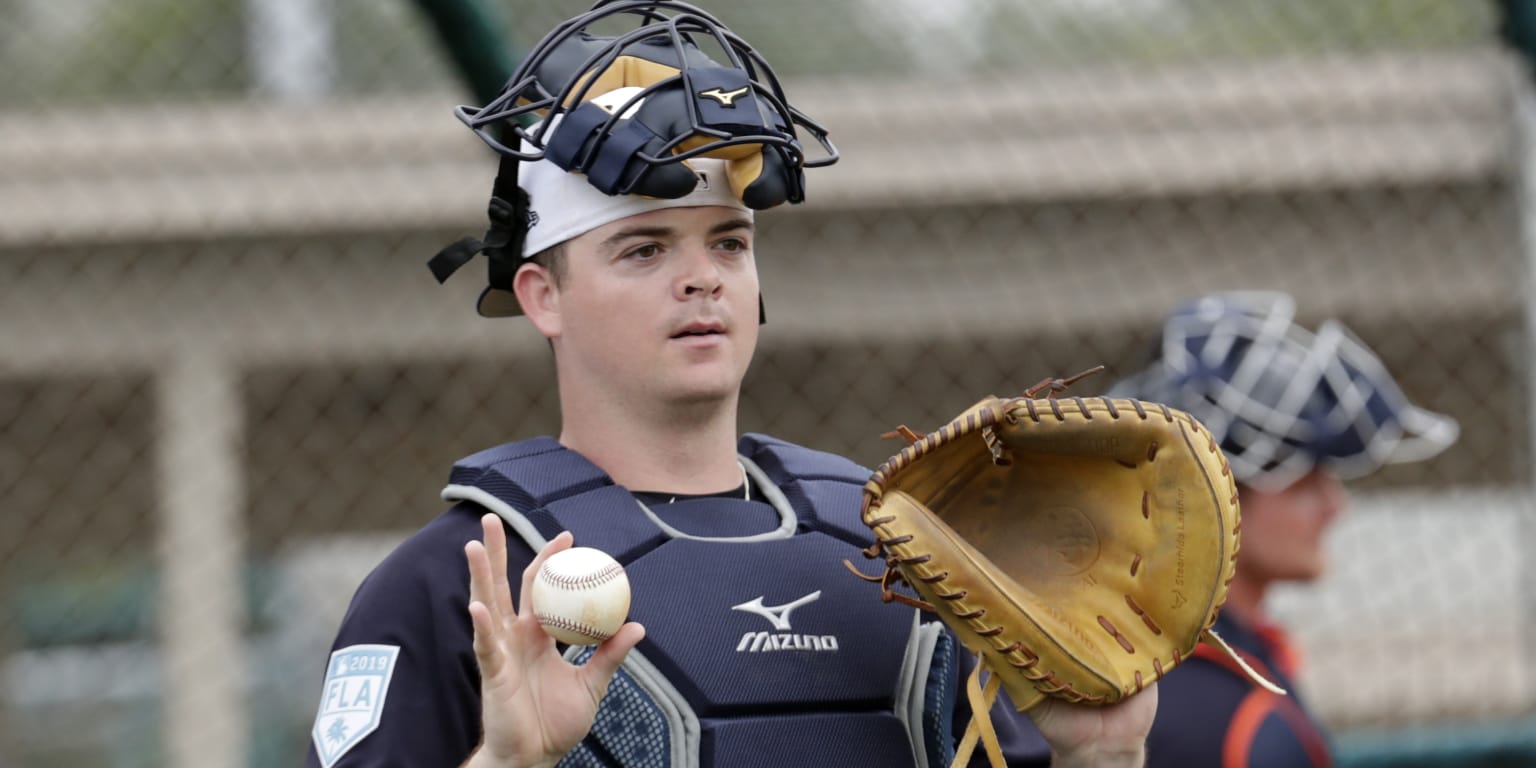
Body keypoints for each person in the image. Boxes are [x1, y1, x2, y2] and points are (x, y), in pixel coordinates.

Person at [305, 2, 1160, 767]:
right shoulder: (466, 584)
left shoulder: (902, 557)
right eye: (643, 249)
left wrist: (1106, 757)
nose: (702, 279)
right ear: (543, 296)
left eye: (728, 242)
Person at [1107, 291, 1459, 768]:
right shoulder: (1222, 714)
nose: (1335, 507)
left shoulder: (1171, 657)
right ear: (1210, 497)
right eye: (1302, 483)